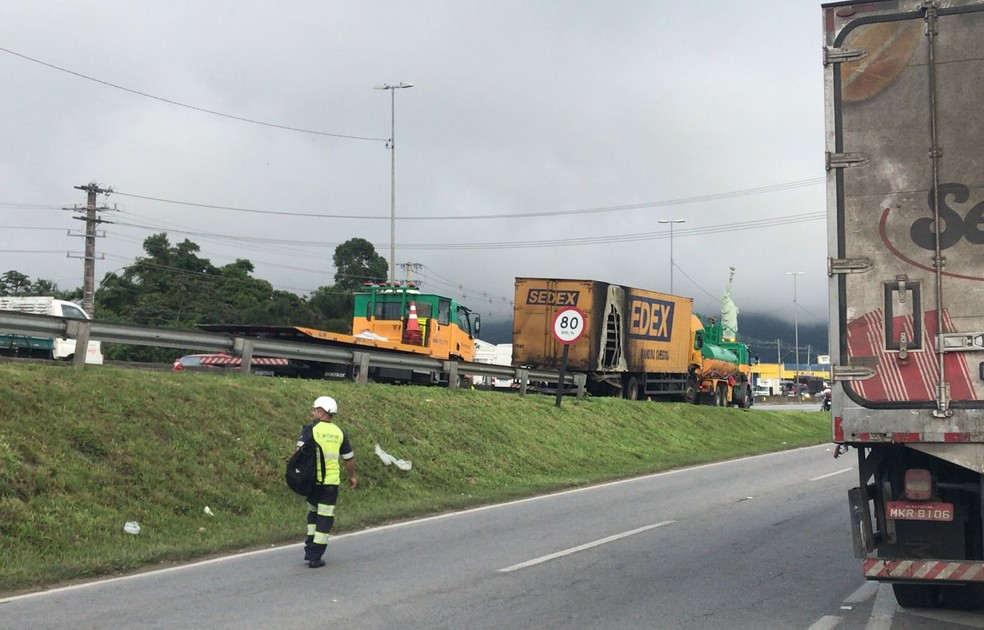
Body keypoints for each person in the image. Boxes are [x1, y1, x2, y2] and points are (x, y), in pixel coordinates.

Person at [296, 395, 356, 568]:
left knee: (313, 514)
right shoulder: (340, 432)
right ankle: (316, 555)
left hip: (312, 483)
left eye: (315, 410)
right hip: (330, 484)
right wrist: (352, 476)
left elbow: (298, 451)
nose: (313, 412)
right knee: (325, 518)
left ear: (321, 413)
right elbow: (349, 459)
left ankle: (310, 550)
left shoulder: (310, 429)